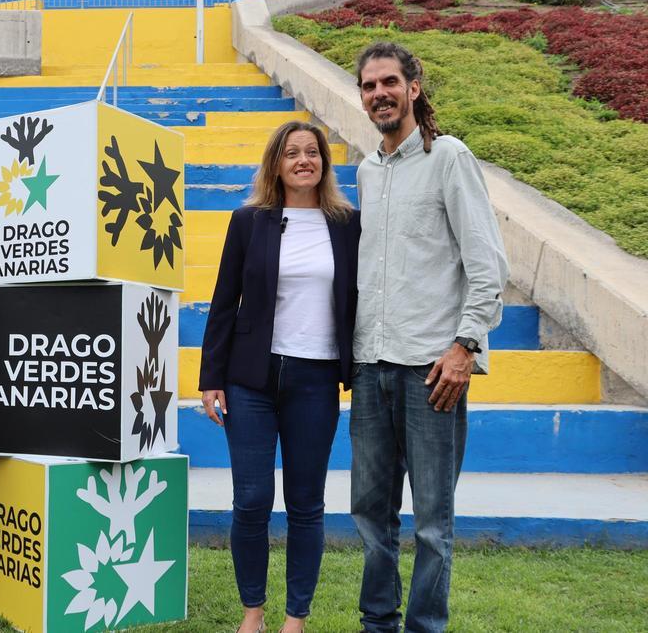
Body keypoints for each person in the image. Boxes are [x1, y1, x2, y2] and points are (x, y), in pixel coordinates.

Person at [351, 41, 509, 633]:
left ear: (414, 87)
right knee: (370, 513)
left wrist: (465, 347)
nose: (379, 94)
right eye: (369, 86)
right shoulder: (367, 171)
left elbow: (488, 265)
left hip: (433, 370)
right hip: (370, 367)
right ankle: (378, 625)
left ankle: (423, 628)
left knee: (432, 524)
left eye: (389, 82)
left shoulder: (450, 158)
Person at [198, 122, 360, 633]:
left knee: (306, 502)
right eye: (292, 153)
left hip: (315, 377)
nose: (303, 160)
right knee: (250, 500)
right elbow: (224, 303)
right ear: (277, 163)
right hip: (251, 379)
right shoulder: (249, 221)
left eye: (312, 152)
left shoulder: (347, 224)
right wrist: (211, 377)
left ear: (324, 164)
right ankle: (253, 614)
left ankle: (296, 619)